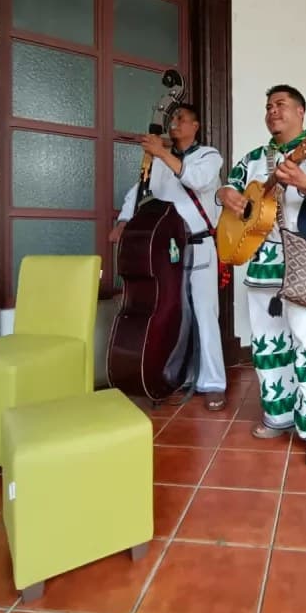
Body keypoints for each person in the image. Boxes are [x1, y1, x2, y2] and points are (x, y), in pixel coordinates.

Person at [217, 85, 306, 468]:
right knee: (267, 342)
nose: (273, 111)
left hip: (302, 258)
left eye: (281, 105)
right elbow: (230, 185)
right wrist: (226, 195)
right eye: (268, 106)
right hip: (260, 258)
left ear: (301, 112)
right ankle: (279, 414)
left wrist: (305, 182)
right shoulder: (255, 157)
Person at [110, 104, 227, 411]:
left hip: (200, 244)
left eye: (181, 119)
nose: (174, 124)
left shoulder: (209, 156)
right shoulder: (160, 161)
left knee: (204, 312)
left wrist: (161, 153)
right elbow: (139, 191)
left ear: (196, 125)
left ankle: (213, 383)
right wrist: (124, 220)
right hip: (167, 248)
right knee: (173, 310)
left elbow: (198, 181)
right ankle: (178, 374)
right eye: (172, 119)